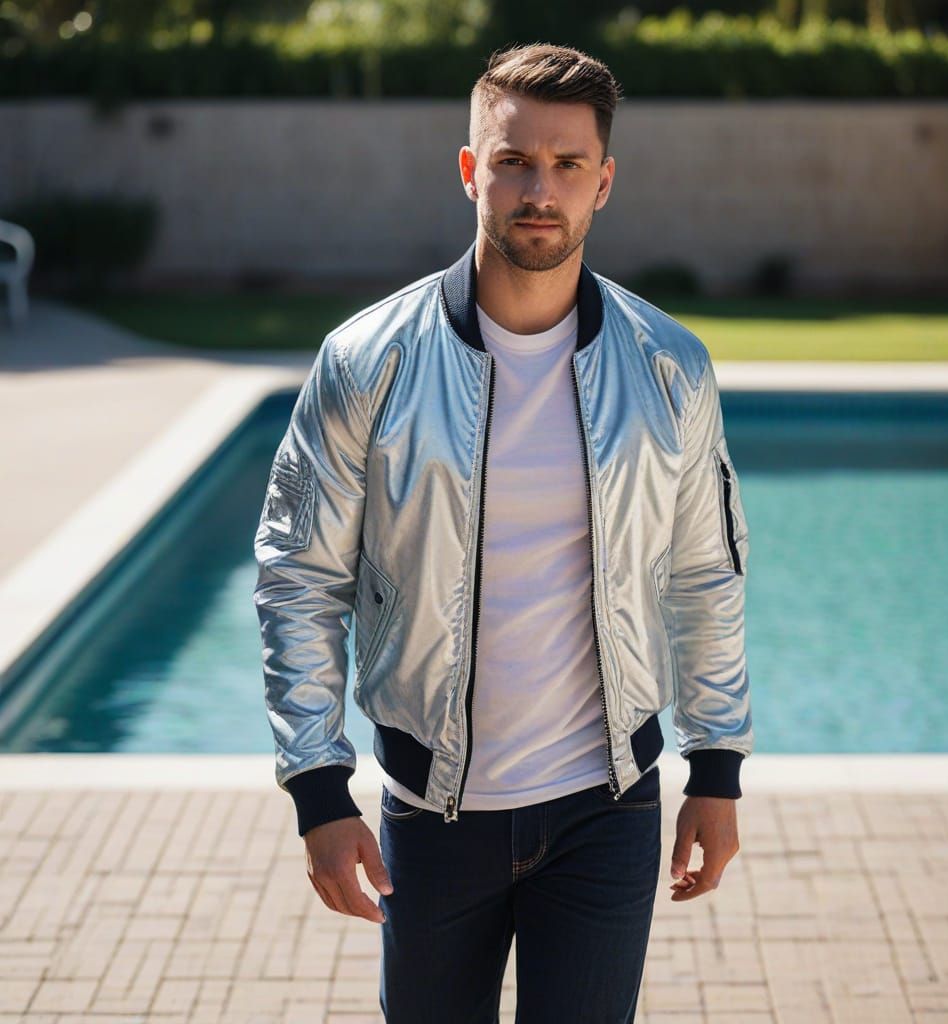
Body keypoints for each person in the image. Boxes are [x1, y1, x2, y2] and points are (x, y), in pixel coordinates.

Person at [253, 41, 754, 1024]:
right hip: (431, 814)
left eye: (567, 164)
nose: (540, 187)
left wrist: (718, 769)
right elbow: (298, 576)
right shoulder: (366, 360)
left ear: (602, 182)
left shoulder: (670, 368)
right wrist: (318, 786)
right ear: (469, 168)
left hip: (606, 808)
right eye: (515, 159)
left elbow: (705, 572)